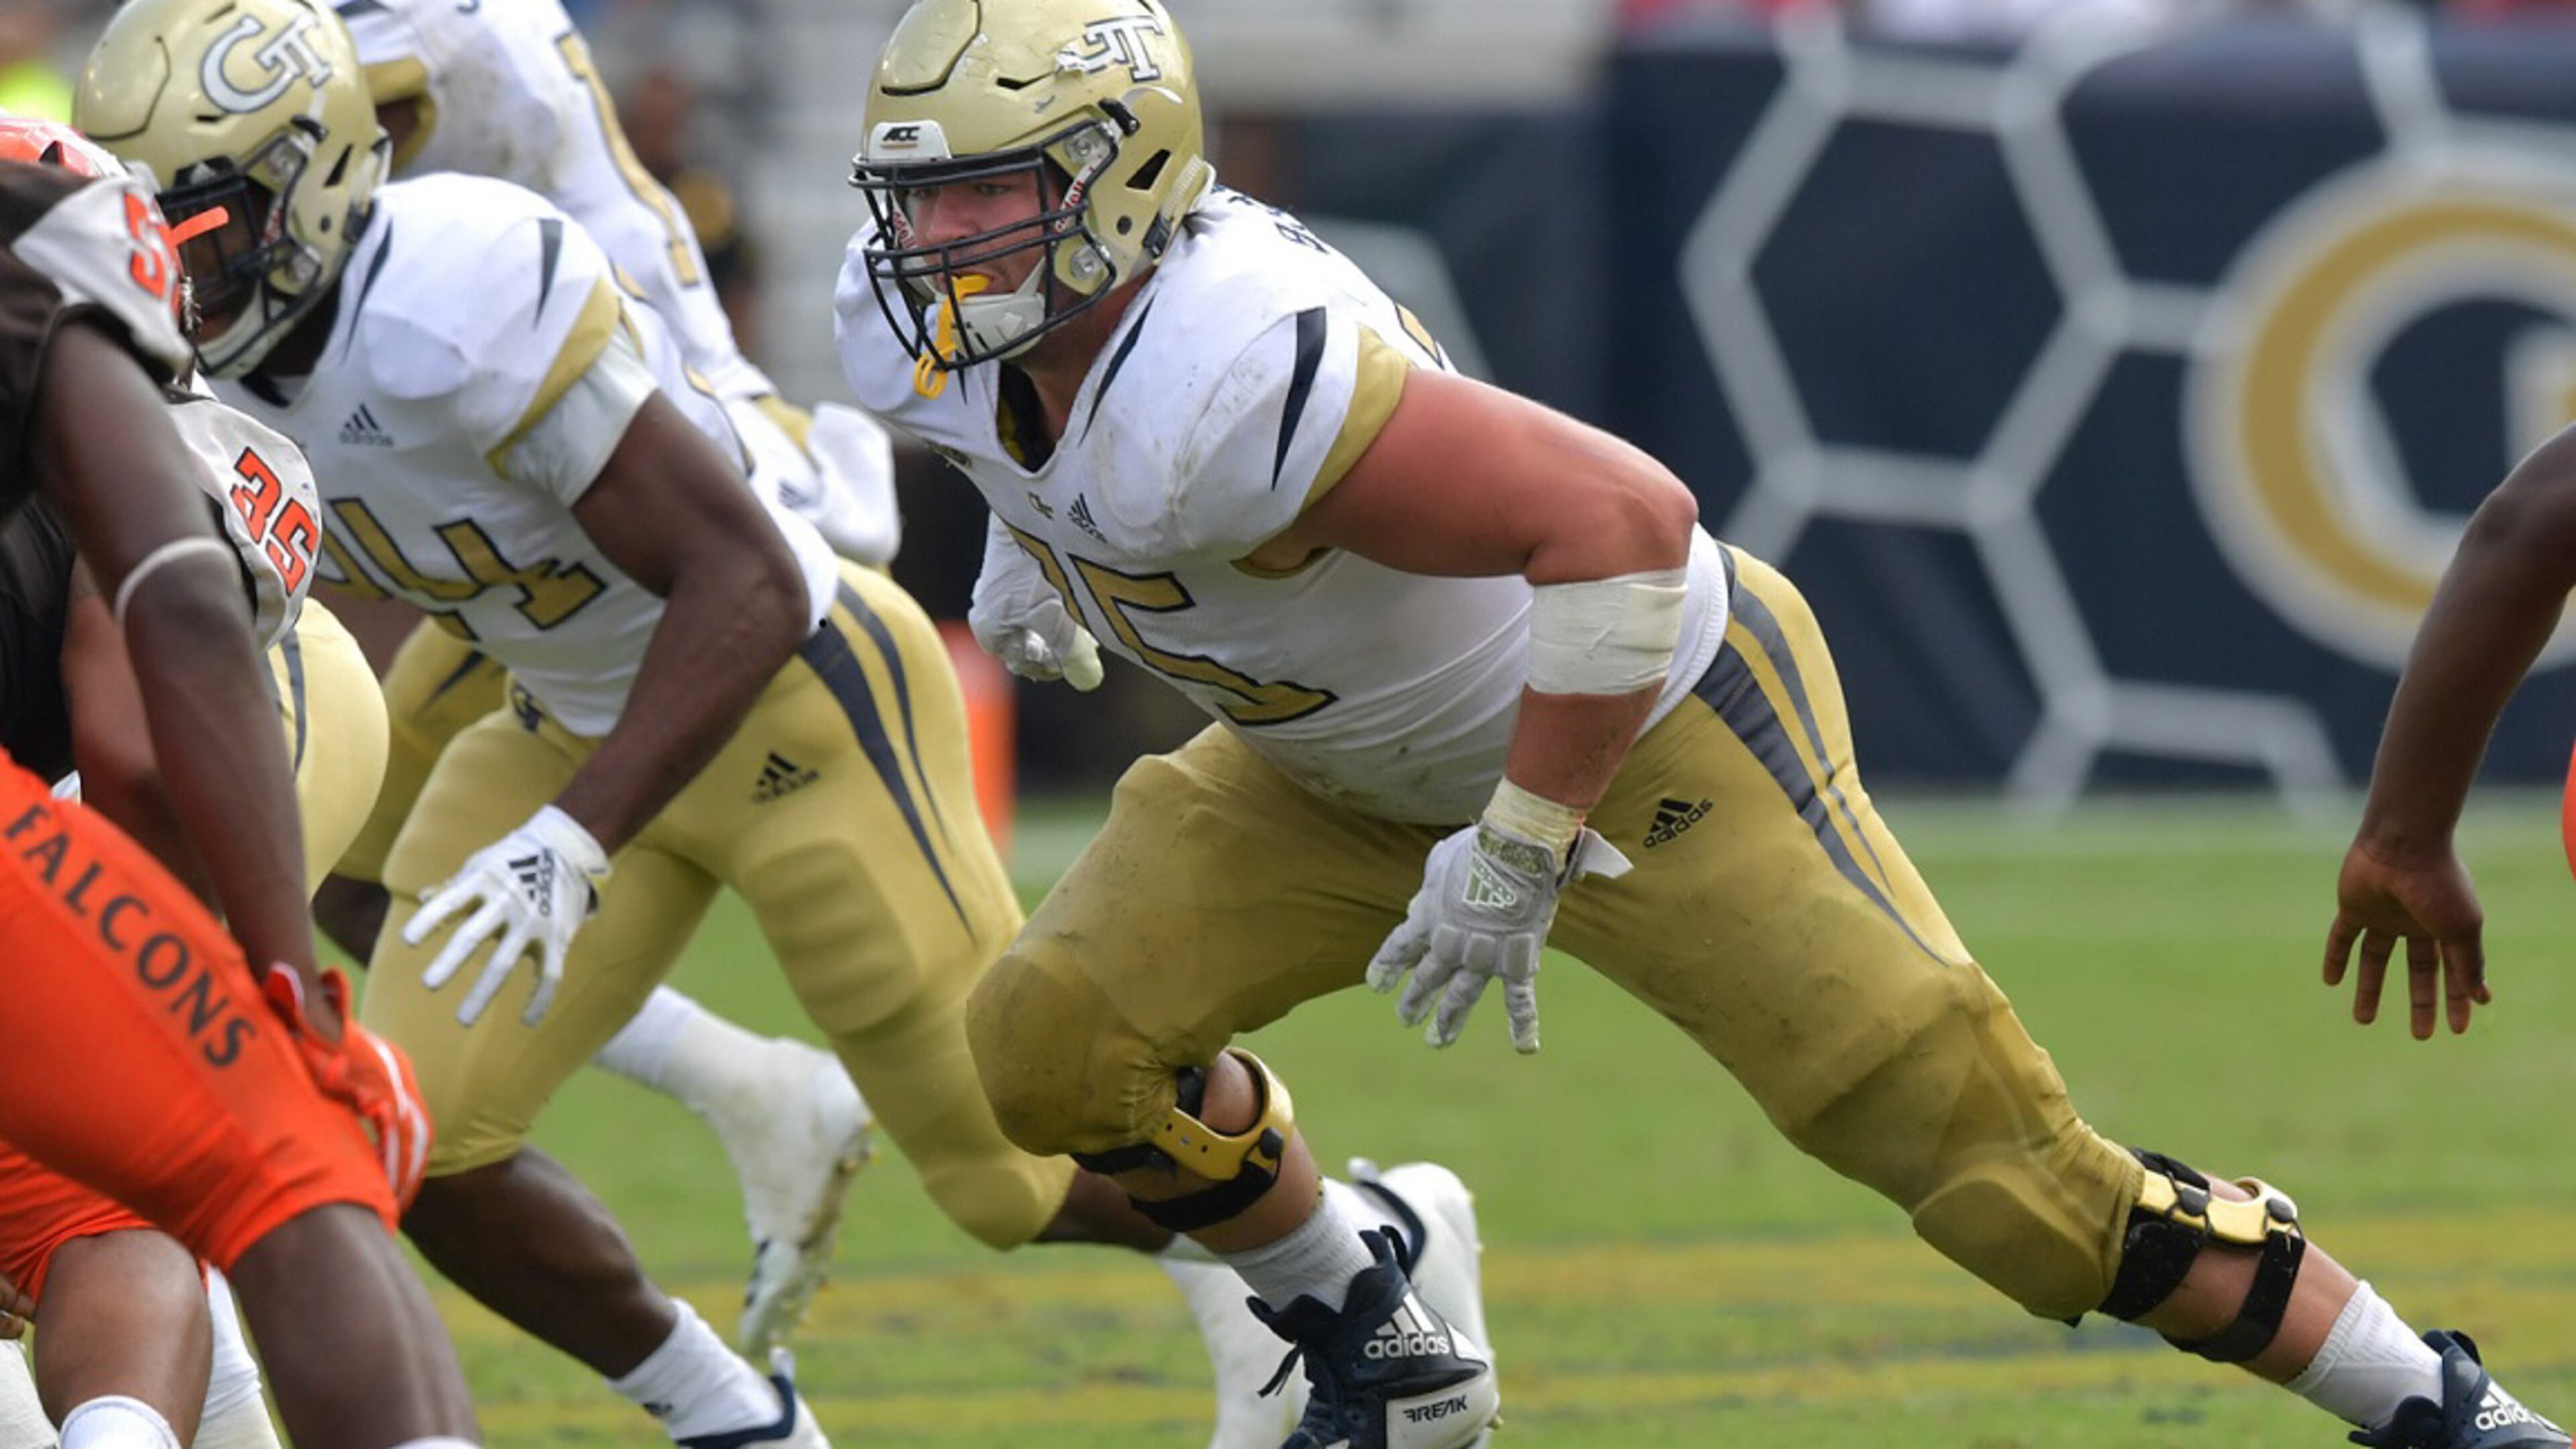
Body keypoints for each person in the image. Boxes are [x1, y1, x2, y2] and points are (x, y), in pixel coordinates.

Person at [838, 3, 2569, 1448]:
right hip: (1325, 760)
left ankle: (2439, 1409)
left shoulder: (1240, 366)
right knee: (1052, 1050)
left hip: (1641, 733)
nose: (940, 245)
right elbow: (1028, 432)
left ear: (1123, 178)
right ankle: (1373, 1317)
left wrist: (1520, 844)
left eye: (993, 199)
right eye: (923, 203)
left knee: (2012, 1200)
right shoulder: (943, 325)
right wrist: (1027, 540)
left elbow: (1628, 526)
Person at [75, 5, 1478, 1446]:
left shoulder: (454, 292)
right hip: (562, 702)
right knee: (411, 1138)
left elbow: (750, 574)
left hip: (787, 690)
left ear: (310, 182)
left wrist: (573, 833)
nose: (172, 271)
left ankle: (1367, 1243)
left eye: (202, 226)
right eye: (144, 229)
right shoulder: (187, 361)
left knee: (1006, 1175)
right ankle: (733, 1417)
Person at [323, 0, 902, 1349]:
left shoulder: (433, 45)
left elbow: (320, 115)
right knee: (343, 867)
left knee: (1002, 1125)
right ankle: (746, 1084)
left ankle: (1327, 1252)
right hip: (529, 531)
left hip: (626, 471)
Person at [0, 138, 474, 1449]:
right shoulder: (78, 324)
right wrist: (276, 998)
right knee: (263, 1160)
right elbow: (144, 730)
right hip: (83, 798)